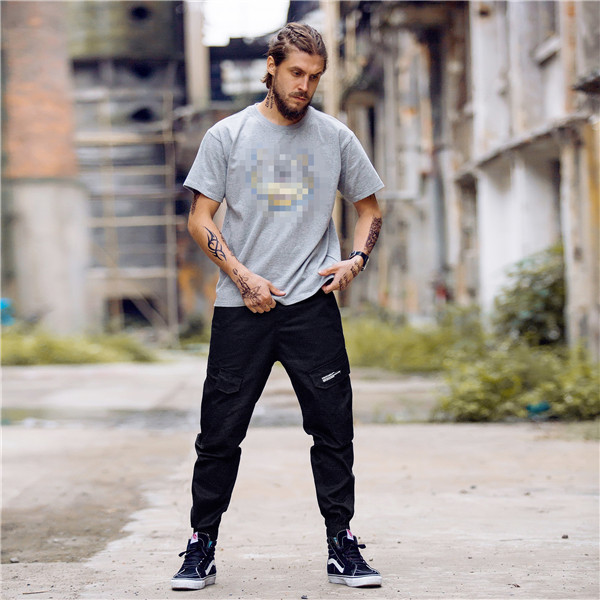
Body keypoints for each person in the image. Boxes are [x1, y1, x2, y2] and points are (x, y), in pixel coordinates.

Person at [171, 22, 384, 591]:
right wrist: (243, 278)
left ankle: (342, 544)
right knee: (219, 434)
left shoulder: (335, 137)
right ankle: (201, 546)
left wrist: (356, 260)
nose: (304, 86)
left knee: (333, 431)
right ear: (271, 66)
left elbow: (369, 209)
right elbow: (200, 219)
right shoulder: (228, 135)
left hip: (312, 307)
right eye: (295, 73)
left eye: (314, 77)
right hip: (242, 308)